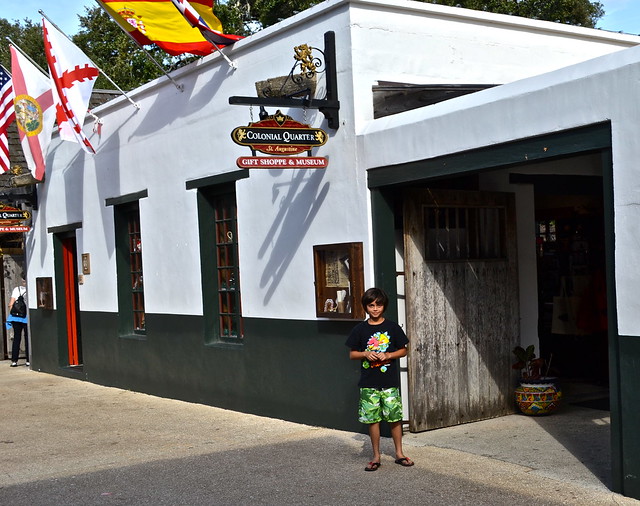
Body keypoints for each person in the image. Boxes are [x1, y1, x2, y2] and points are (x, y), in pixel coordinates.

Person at [345, 287, 414, 471]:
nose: (375, 309)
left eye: (379, 305)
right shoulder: (360, 329)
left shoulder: (392, 327)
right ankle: (376, 456)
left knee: (394, 418)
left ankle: (399, 453)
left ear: (384, 306)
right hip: (369, 384)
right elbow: (352, 354)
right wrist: (366, 353)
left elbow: (404, 350)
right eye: (371, 305)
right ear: (366, 307)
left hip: (390, 383)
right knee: (372, 420)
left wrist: (389, 355)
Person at [7, 277, 28, 367]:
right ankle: (28, 360)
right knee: (27, 339)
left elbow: (10, 304)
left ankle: (14, 360)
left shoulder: (16, 289)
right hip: (26, 318)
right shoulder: (30, 289)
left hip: (16, 318)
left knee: (16, 338)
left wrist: (14, 314)